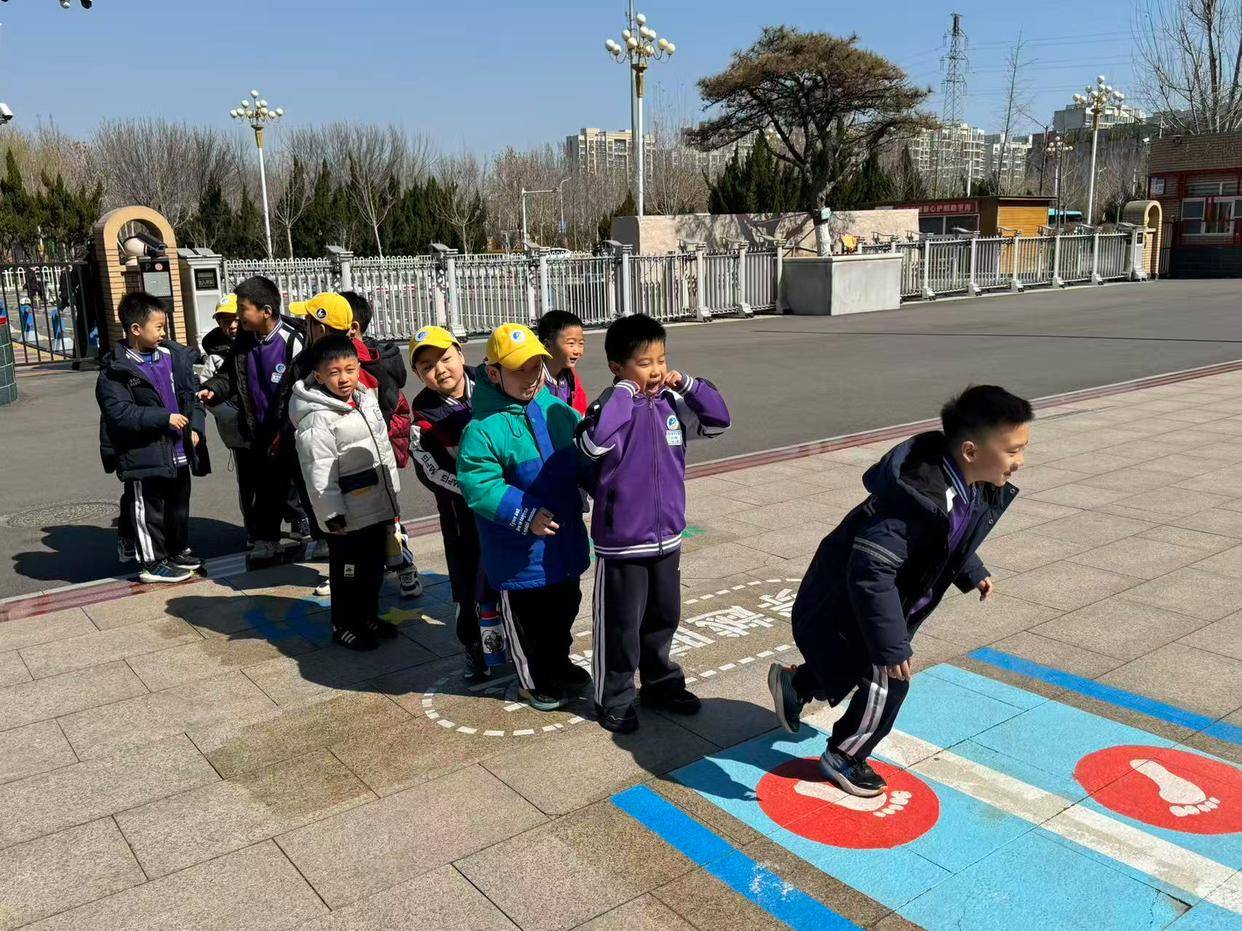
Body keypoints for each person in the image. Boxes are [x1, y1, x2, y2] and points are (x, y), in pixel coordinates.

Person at [768, 385, 1032, 797]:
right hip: (851, 599)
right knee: (890, 681)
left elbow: (954, 540)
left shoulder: (975, 486)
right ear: (970, 451)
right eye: (1013, 451)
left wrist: (972, 570)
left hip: (891, 599)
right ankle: (844, 755)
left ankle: (798, 685)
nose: (1020, 462)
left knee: (852, 660)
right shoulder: (915, 500)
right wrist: (891, 647)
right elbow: (870, 572)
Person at [575, 313, 731, 733]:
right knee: (621, 626)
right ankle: (615, 696)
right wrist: (624, 393)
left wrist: (689, 385)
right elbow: (592, 443)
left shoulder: (670, 404)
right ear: (617, 368)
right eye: (645, 362)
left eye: (661, 359)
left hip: (667, 538)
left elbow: (719, 420)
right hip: (622, 541)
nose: (657, 369)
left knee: (664, 617)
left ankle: (661, 683)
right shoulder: (608, 406)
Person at [457, 323, 591, 710]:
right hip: (518, 556)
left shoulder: (555, 409)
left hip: (562, 545)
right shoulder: (482, 429)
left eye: (536, 366)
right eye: (519, 369)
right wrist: (524, 514)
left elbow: (583, 458)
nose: (530, 377)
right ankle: (533, 682)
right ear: (494, 372)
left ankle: (559, 664)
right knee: (529, 624)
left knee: (565, 609)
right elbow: (479, 487)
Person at [290, 334, 402, 650]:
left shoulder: (365, 398)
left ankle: (367, 616)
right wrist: (331, 515)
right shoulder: (316, 417)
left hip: (376, 504)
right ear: (318, 375)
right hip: (347, 513)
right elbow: (318, 472)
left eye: (350, 369)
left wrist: (392, 494)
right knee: (347, 573)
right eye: (334, 372)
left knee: (372, 567)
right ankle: (344, 624)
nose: (344, 378)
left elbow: (383, 451)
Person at [98, 292, 211, 583]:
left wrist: (195, 428)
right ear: (136, 329)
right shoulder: (116, 370)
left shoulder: (173, 358)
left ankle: (176, 551)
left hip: (178, 449)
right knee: (149, 509)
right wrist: (164, 418)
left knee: (178, 505)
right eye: (158, 327)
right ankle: (153, 562)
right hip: (143, 452)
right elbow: (120, 413)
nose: (164, 332)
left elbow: (192, 397)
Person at [199, 276, 306, 569]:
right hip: (259, 430)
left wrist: (291, 426)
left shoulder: (294, 341)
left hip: (292, 430)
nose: (238, 316)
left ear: (266, 311)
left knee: (306, 485)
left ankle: (320, 536)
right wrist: (214, 388)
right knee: (266, 489)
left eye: (243, 309)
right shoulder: (246, 342)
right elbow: (232, 377)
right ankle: (266, 542)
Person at [408, 325, 486, 677]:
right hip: (462, 519)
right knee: (468, 587)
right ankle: (474, 649)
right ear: (418, 375)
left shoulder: (492, 385)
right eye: (427, 366)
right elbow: (432, 472)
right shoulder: (424, 420)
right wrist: (479, 491)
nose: (440, 369)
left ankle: (516, 645)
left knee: (510, 583)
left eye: (445, 358)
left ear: (460, 353)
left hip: (505, 513)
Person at [342, 290, 421, 599]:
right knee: (361, 520)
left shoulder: (369, 362)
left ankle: (404, 568)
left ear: (353, 328)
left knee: (389, 518)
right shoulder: (343, 359)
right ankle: (364, 574)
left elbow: (385, 409)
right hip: (352, 454)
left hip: (376, 451)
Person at [537, 310, 588, 415]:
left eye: (581, 343)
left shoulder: (571, 378)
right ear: (547, 345)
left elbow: (581, 412)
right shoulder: (532, 381)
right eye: (571, 343)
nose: (577, 351)